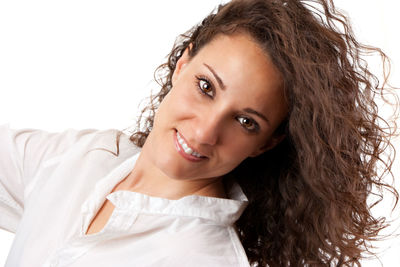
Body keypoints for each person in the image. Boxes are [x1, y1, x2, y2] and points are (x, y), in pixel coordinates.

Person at [0, 0, 398, 266]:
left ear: (268, 142)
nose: (206, 132)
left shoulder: (202, 258)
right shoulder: (84, 158)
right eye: (206, 87)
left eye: (246, 122)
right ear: (182, 64)